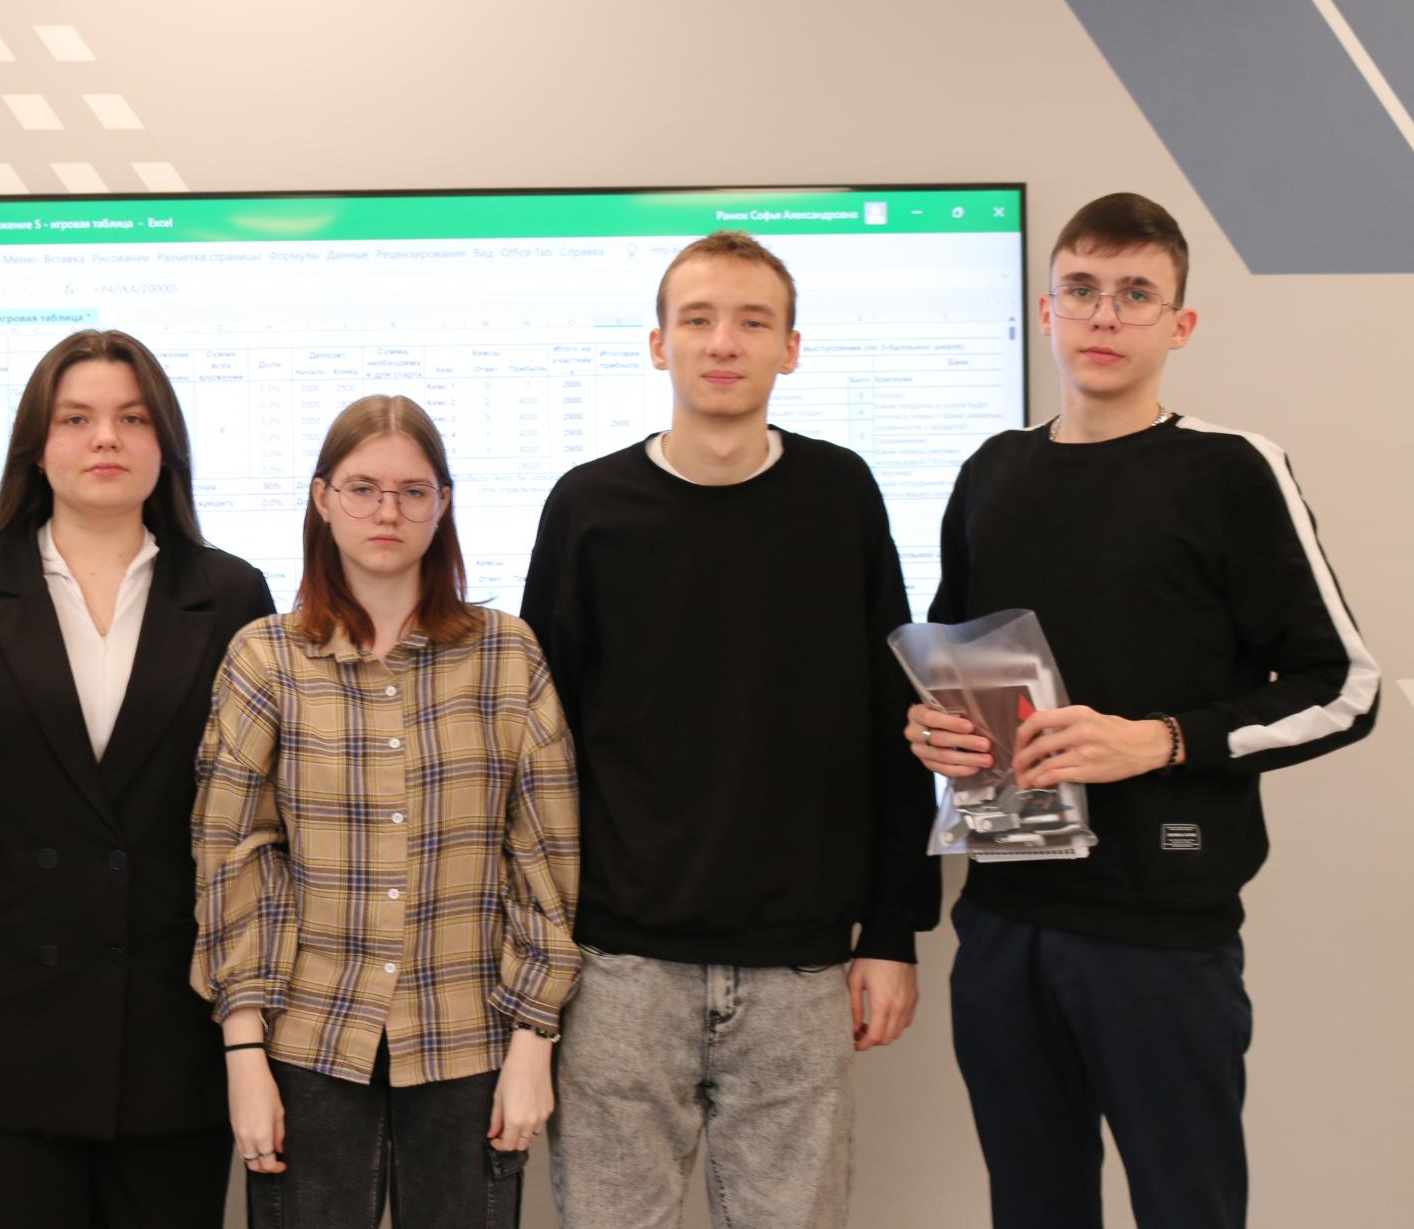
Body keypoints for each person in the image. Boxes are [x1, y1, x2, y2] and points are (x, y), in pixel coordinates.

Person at [906, 192, 1379, 1229]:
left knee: (1186, 1209)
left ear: (1180, 323)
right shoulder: (991, 470)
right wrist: (928, 728)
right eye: (1080, 289)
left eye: (1134, 294)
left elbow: (1345, 688)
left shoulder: (1228, 469)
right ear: (1045, 311)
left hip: (1161, 933)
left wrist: (1159, 741)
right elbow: (952, 662)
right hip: (1003, 919)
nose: (1103, 315)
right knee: (1032, 1209)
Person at [521, 231, 939, 1229]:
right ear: (656, 344)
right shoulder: (587, 506)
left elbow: (896, 722)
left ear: (789, 348)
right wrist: (540, 957)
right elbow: (537, 749)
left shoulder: (841, 494)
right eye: (698, 319)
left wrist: (892, 932)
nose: (723, 341)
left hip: (802, 969)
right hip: (617, 968)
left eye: (752, 321)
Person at [0, 329, 274, 1227]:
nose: (105, 438)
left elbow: (257, 826)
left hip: (169, 1026)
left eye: (132, 418)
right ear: (37, 444)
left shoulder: (232, 594)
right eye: (76, 418)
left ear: (166, 445)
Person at [192, 393, 581, 1228]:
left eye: (412, 491)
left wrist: (533, 1040)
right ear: (323, 499)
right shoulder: (266, 659)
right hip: (307, 1043)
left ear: (443, 505)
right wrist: (244, 1053)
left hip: (470, 1040)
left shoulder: (507, 655)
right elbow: (232, 859)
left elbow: (544, 860)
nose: (387, 511)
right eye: (363, 488)